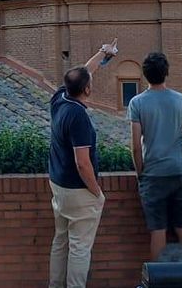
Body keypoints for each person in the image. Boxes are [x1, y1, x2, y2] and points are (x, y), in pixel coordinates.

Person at [49, 38, 119, 288]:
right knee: (80, 246)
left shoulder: (59, 100)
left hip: (58, 185)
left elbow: (85, 72)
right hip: (79, 190)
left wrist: (102, 53)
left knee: (61, 241)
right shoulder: (78, 116)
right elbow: (83, 163)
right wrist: (96, 192)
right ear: (87, 90)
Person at [128, 52, 182, 260]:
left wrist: (141, 172)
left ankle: (157, 280)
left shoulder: (137, 103)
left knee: (158, 231)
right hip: (178, 170)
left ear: (145, 75)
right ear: (167, 73)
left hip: (153, 173)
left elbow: (136, 146)